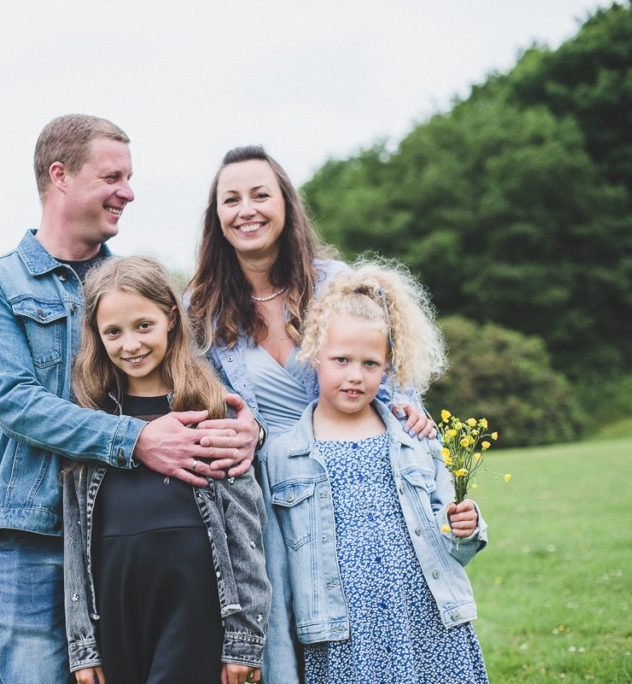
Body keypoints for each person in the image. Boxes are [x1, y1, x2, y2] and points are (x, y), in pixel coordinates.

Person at [0, 115, 261, 683]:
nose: (128, 191)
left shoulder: (137, 281)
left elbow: (207, 380)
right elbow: (15, 402)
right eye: (113, 176)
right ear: (61, 176)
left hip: (133, 535)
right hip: (40, 535)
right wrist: (137, 439)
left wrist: (250, 429)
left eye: (129, 176)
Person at [257, 260, 489, 682]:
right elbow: (276, 579)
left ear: (387, 366)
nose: (354, 376)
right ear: (314, 356)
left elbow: (455, 543)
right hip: (344, 643)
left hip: (429, 627)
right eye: (341, 359)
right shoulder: (281, 455)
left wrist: (466, 528)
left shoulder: (415, 437)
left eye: (370, 364)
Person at [62, 256, 270, 684]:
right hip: (117, 610)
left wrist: (244, 640)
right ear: (97, 337)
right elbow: (75, 544)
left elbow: (245, 535)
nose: (130, 344)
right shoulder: (90, 425)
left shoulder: (209, 410)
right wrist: (83, 648)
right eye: (113, 332)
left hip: (194, 605)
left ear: (171, 319)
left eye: (144, 325)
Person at [185, 145, 435, 437]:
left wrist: (406, 405)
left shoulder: (336, 285)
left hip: (344, 458)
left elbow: (386, 371)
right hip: (263, 476)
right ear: (216, 216)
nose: (246, 210)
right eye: (231, 200)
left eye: (260, 195)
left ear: (286, 203)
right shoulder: (200, 310)